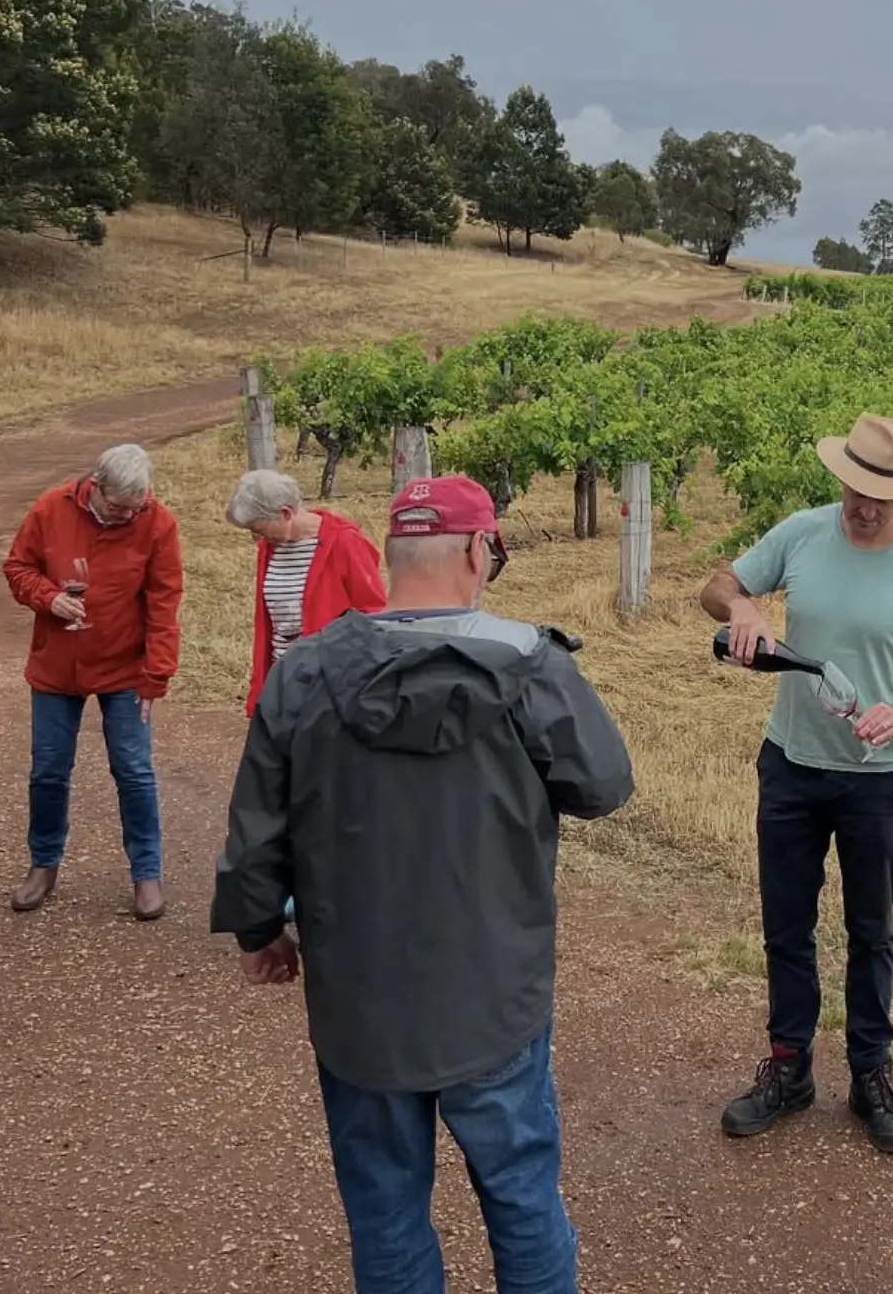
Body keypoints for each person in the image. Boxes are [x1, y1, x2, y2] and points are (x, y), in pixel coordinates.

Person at [211, 474, 633, 1294]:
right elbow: (603, 787)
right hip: (492, 994)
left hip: (359, 1000)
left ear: (392, 554)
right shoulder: (530, 665)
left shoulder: (305, 674)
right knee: (522, 1202)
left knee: (386, 1215)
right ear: (480, 551)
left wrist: (260, 931)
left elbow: (256, 823)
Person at [700, 412, 893, 1154]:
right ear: (841, 478)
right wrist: (746, 604)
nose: (863, 506)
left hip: (876, 781)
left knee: (872, 932)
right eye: (855, 489)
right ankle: (788, 1069)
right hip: (789, 765)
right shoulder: (802, 531)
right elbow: (717, 586)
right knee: (787, 927)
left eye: (880, 496)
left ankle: (871, 1075)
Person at [4, 443, 183, 921]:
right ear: (96, 486)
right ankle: (43, 865)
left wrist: (156, 675)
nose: (128, 514)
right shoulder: (49, 508)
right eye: (118, 506)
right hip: (57, 667)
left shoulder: (157, 520)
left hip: (125, 669)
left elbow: (165, 602)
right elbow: (18, 568)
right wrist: (48, 598)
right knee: (48, 770)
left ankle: (147, 873)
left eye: (136, 507)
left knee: (134, 770)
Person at [225, 468, 386, 714]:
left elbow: (373, 615)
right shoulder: (270, 548)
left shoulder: (345, 542)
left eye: (259, 529)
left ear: (286, 513)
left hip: (330, 686)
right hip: (284, 680)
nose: (256, 538)